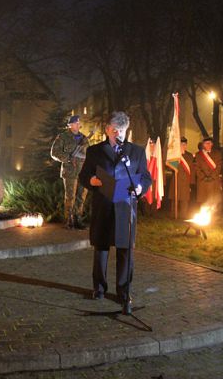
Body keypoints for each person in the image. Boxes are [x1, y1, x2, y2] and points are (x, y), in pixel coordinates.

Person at [79, 111, 151, 314]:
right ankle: (99, 288)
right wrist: (91, 181)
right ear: (107, 129)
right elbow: (84, 175)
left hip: (125, 207)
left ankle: (124, 291)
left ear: (126, 130)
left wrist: (140, 189)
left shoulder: (136, 152)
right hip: (103, 206)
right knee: (101, 248)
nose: (117, 133)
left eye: (121, 130)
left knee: (125, 250)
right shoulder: (95, 151)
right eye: (113, 129)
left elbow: (146, 178)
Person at [50, 115, 90, 229]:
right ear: (70, 125)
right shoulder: (63, 137)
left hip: (83, 171)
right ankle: (69, 221)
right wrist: (68, 158)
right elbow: (54, 152)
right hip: (70, 171)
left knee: (81, 197)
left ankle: (78, 219)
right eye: (75, 123)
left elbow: (89, 153)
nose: (78, 125)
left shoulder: (84, 138)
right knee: (70, 197)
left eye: (78, 123)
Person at [168, 137, 195, 218]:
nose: (183, 146)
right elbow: (169, 167)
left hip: (185, 181)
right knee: (174, 199)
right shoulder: (174, 155)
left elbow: (192, 169)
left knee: (184, 200)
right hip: (176, 179)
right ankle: (173, 215)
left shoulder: (190, 155)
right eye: (181, 144)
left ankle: (184, 216)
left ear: (186, 145)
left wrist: (191, 183)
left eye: (184, 144)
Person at [195, 137, 222, 207]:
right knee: (203, 202)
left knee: (213, 202)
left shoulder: (217, 154)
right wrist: (203, 177)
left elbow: (219, 166)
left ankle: (213, 217)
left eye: (209, 143)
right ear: (203, 145)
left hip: (214, 181)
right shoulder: (198, 155)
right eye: (206, 144)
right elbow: (196, 167)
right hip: (202, 182)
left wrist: (212, 176)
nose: (207, 145)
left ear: (212, 144)